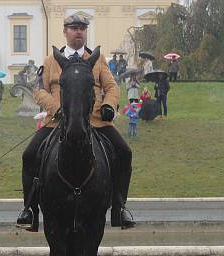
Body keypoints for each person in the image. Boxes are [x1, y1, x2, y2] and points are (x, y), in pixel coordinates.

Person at [16, 13, 135, 232]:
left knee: (124, 152)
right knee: (29, 155)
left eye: (82, 28)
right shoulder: (51, 61)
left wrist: (109, 105)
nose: (78, 31)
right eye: (74, 28)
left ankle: (120, 207)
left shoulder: (97, 59)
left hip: (95, 120)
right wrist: (57, 109)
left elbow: (111, 87)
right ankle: (30, 209)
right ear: (65, 32)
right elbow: (39, 90)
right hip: (58, 121)